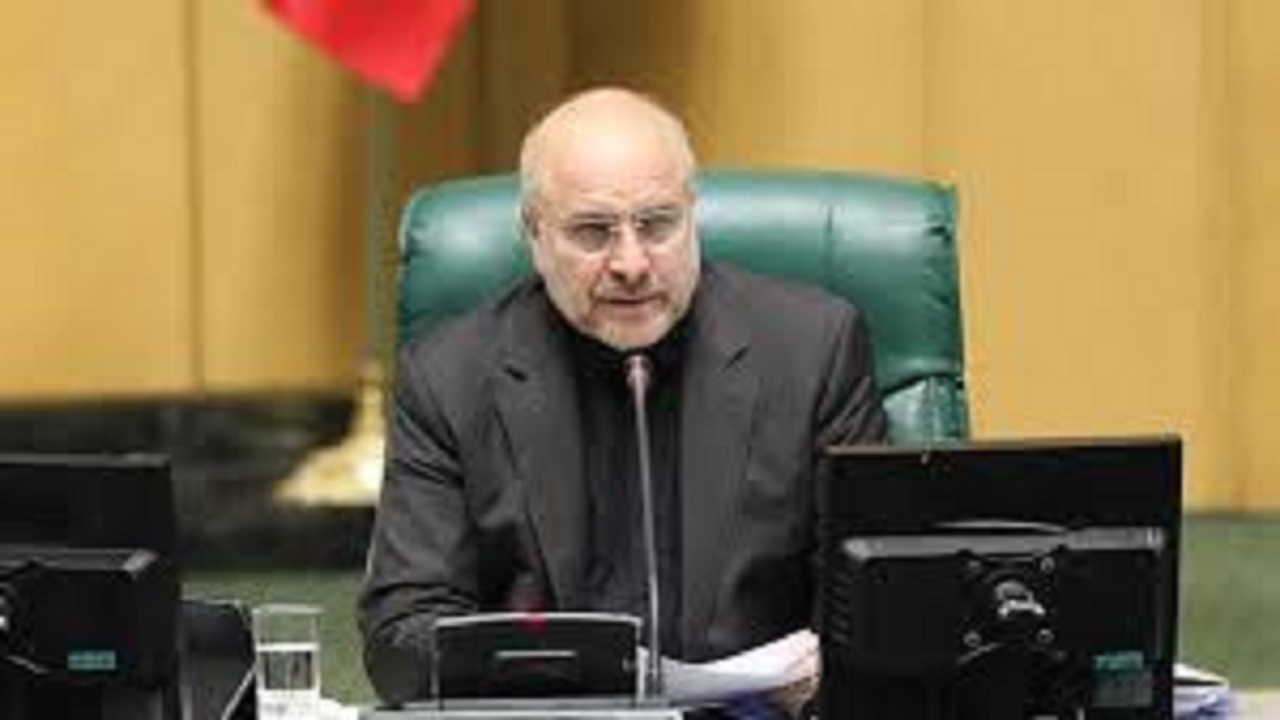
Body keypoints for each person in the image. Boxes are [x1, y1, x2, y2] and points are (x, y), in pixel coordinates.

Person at [358, 87, 888, 709]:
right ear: (534, 232)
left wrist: (827, 686)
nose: (632, 263)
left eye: (658, 224)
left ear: (693, 215)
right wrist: (557, 682)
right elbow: (402, 639)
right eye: (593, 232)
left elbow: (881, 605)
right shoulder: (449, 377)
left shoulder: (813, 350)